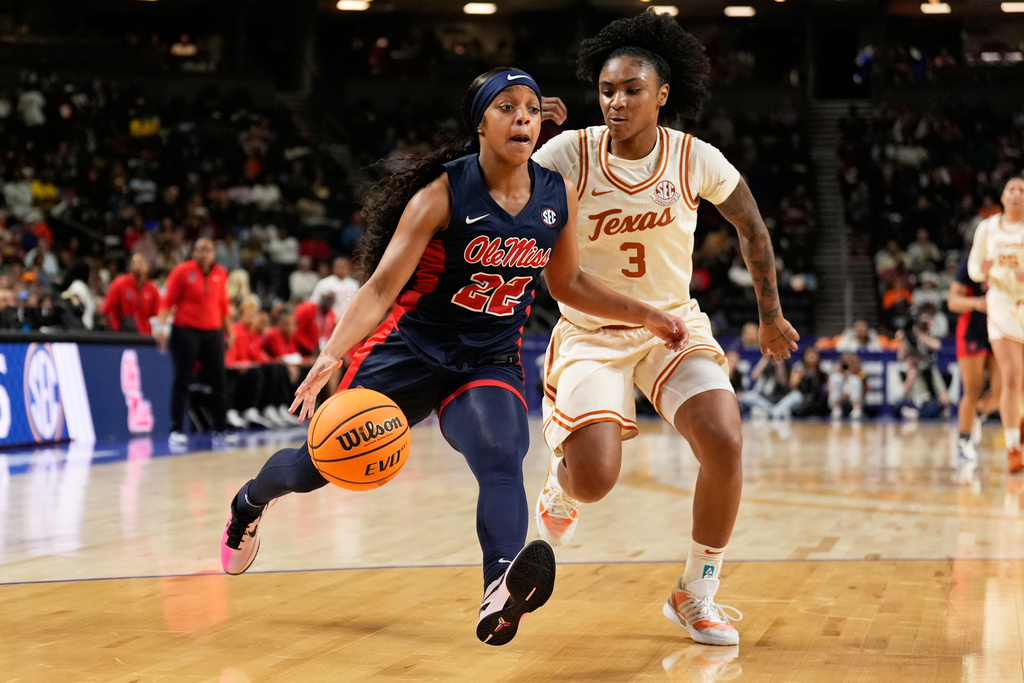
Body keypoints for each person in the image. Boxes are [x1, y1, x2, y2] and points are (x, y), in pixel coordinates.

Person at [218, 67, 688, 647]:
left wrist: (645, 313)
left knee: (501, 456)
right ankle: (249, 502)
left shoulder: (554, 193)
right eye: (507, 107)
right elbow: (381, 286)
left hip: (488, 360)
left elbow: (567, 284)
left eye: (531, 108)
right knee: (316, 467)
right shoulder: (441, 193)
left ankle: (499, 590)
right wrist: (331, 354)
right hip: (408, 352)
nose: (522, 117)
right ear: (480, 123)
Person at [531, 10, 799, 647]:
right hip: (591, 332)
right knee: (595, 479)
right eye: (605, 91)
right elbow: (494, 188)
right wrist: (519, 132)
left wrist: (770, 315)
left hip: (671, 328)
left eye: (630, 90)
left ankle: (695, 591)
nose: (616, 101)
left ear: (662, 95)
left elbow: (752, 228)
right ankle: (561, 487)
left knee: (726, 443)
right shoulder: (569, 152)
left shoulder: (694, 157)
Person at [967, 176, 1024, 473]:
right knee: (1011, 375)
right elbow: (974, 269)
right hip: (1001, 303)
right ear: (1002, 197)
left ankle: (1019, 416)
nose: (1016, 194)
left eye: (1022, 191)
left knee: (1021, 382)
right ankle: (1013, 447)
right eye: (1011, 190)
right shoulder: (987, 227)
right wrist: (983, 270)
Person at [155, 237, 233, 445]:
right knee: (182, 379)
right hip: (185, 331)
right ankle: (176, 430)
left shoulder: (220, 273)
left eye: (208, 250)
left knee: (219, 381)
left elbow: (223, 305)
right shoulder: (182, 271)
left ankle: (221, 429)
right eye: (200, 249)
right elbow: (167, 301)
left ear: (214, 254)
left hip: (213, 332)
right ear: (193, 252)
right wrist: (161, 328)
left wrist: (229, 331)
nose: (204, 254)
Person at [947, 257, 1000, 463]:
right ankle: (964, 441)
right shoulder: (969, 265)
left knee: (1004, 390)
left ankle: (978, 413)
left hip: (1000, 329)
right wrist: (977, 303)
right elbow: (953, 302)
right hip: (972, 332)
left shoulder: (1011, 262)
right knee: (973, 389)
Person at [102, 253, 160, 334]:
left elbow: (156, 316)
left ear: (148, 266)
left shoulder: (153, 289)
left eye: (141, 262)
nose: (137, 266)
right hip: (123, 335)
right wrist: (115, 329)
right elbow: (108, 309)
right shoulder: (119, 284)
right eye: (134, 263)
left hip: (145, 337)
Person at [828, 352, 865, 420]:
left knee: (854, 380)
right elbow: (828, 386)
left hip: (853, 401)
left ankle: (856, 409)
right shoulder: (837, 372)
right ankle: (836, 408)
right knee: (835, 378)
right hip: (840, 398)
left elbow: (865, 385)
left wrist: (853, 373)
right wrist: (839, 372)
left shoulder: (860, 373)